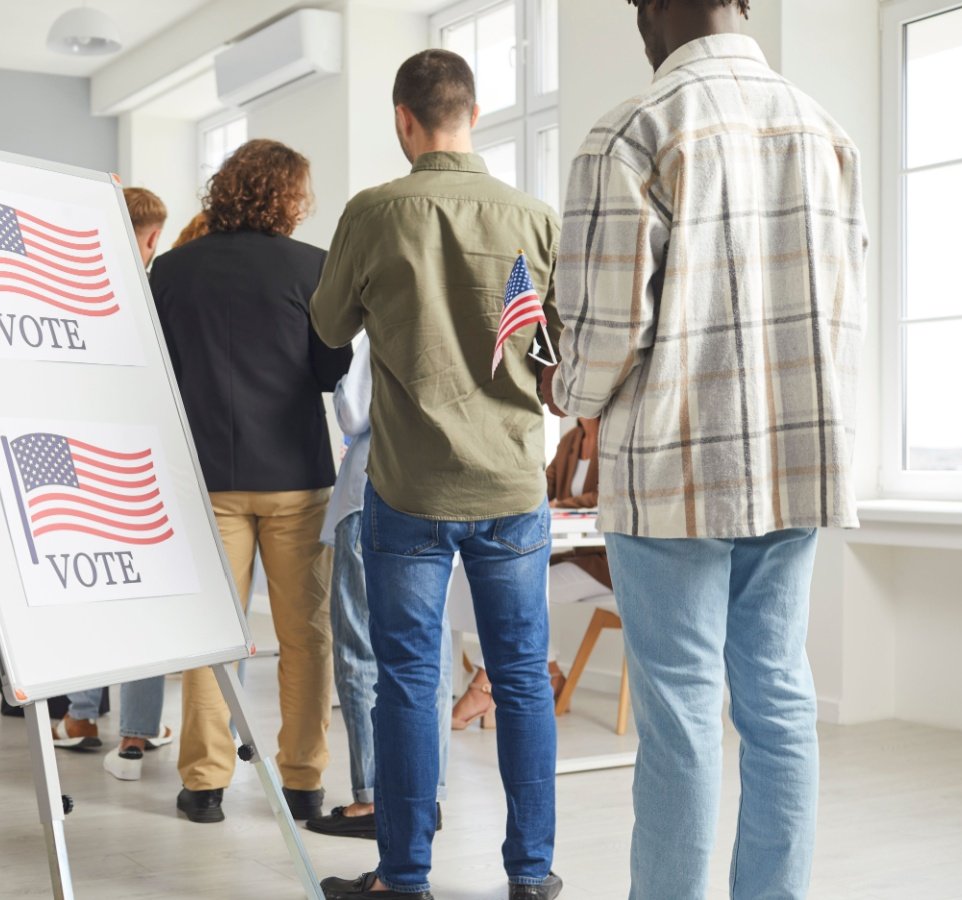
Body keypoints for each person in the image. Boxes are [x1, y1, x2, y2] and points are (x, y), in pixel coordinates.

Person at [544, 2, 867, 897]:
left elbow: (605, 338)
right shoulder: (826, 131)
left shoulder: (633, 132)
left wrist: (562, 388)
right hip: (798, 461)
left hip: (675, 467)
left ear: (651, 10)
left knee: (683, 715)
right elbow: (844, 308)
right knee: (779, 700)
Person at [312, 49, 564, 900]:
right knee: (523, 680)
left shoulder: (374, 212)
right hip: (512, 486)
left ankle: (406, 877)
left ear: (402, 120)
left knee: (408, 682)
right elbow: (561, 348)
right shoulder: (533, 216)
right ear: (476, 113)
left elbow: (327, 325)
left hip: (410, 488)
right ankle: (531, 874)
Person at [149, 139, 351, 825]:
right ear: (290, 197)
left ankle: (204, 784)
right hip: (295, 475)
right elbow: (331, 373)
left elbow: (159, 375)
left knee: (211, 635)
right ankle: (302, 783)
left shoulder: (171, 271)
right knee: (305, 634)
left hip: (205, 476)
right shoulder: (312, 268)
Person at [48, 187, 177, 781]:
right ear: (150, 235)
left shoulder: (73, 286)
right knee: (144, 597)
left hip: (81, 453)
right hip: (140, 458)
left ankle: (80, 717)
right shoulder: (156, 293)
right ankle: (136, 730)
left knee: (93, 590)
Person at [305, 335, 454, 840]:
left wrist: (346, 376)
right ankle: (425, 796)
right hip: (442, 493)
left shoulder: (385, 322)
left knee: (362, 649)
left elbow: (352, 415)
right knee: (431, 649)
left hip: (375, 490)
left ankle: (372, 797)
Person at [451, 416, 611, 730]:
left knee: (528, 589)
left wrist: (560, 504)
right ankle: (550, 673)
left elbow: (607, 494)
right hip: (575, 555)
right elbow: (543, 483)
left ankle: (485, 682)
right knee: (503, 580)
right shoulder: (572, 440)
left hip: (606, 563)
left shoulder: (613, 433)